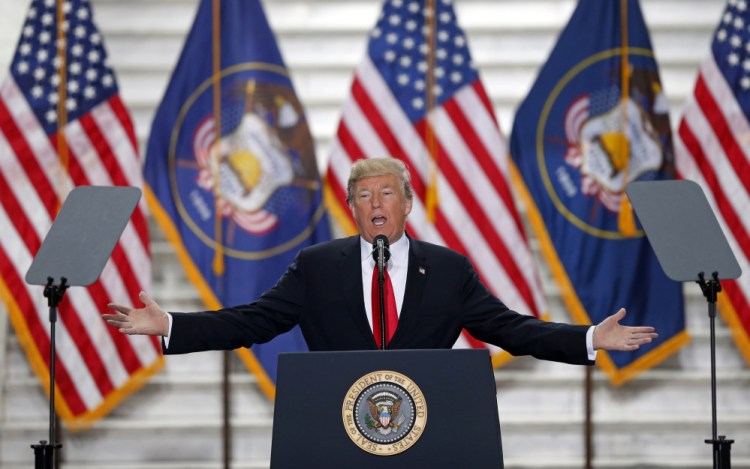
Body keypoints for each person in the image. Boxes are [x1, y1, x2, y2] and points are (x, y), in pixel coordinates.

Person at [103, 157, 657, 363]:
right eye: (363, 196)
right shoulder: (317, 265)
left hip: (428, 429)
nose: (376, 204)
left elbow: (512, 330)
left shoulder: (449, 269)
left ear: (408, 203)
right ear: (350, 208)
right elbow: (251, 321)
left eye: (386, 194)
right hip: (335, 426)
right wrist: (169, 324)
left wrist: (589, 338)